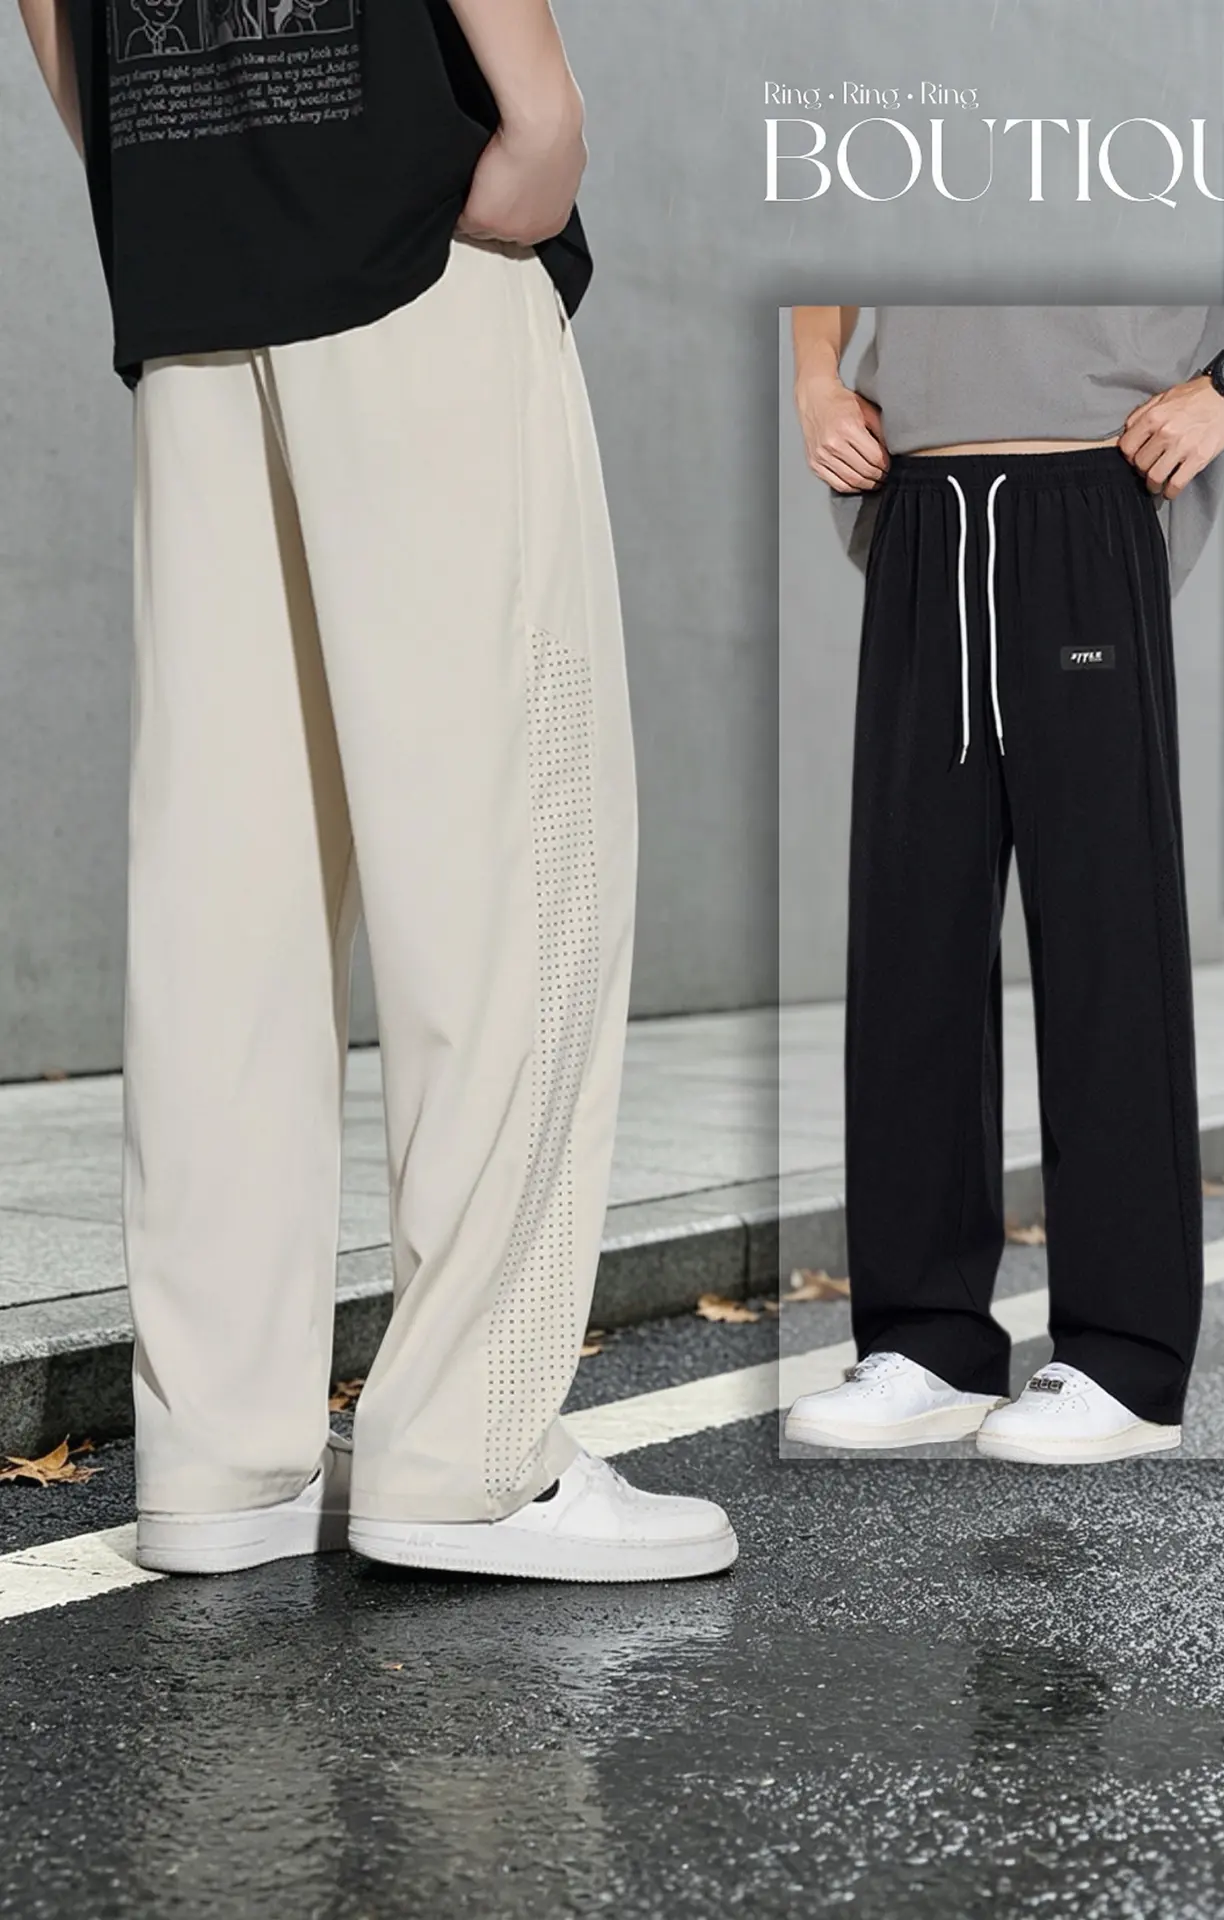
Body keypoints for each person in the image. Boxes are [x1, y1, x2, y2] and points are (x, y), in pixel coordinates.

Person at [18, 0, 737, 1580]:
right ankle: (469, 1454)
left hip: (189, 244)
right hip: (408, 229)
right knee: (511, 864)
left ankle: (219, 1460)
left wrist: (153, 156)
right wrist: (542, 105)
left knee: (227, 898)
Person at [785, 304, 1224, 1464]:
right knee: (912, 946)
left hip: (1089, 495)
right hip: (919, 508)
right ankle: (927, 1343)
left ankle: (1125, 1361)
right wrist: (817, 377)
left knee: (1104, 946)